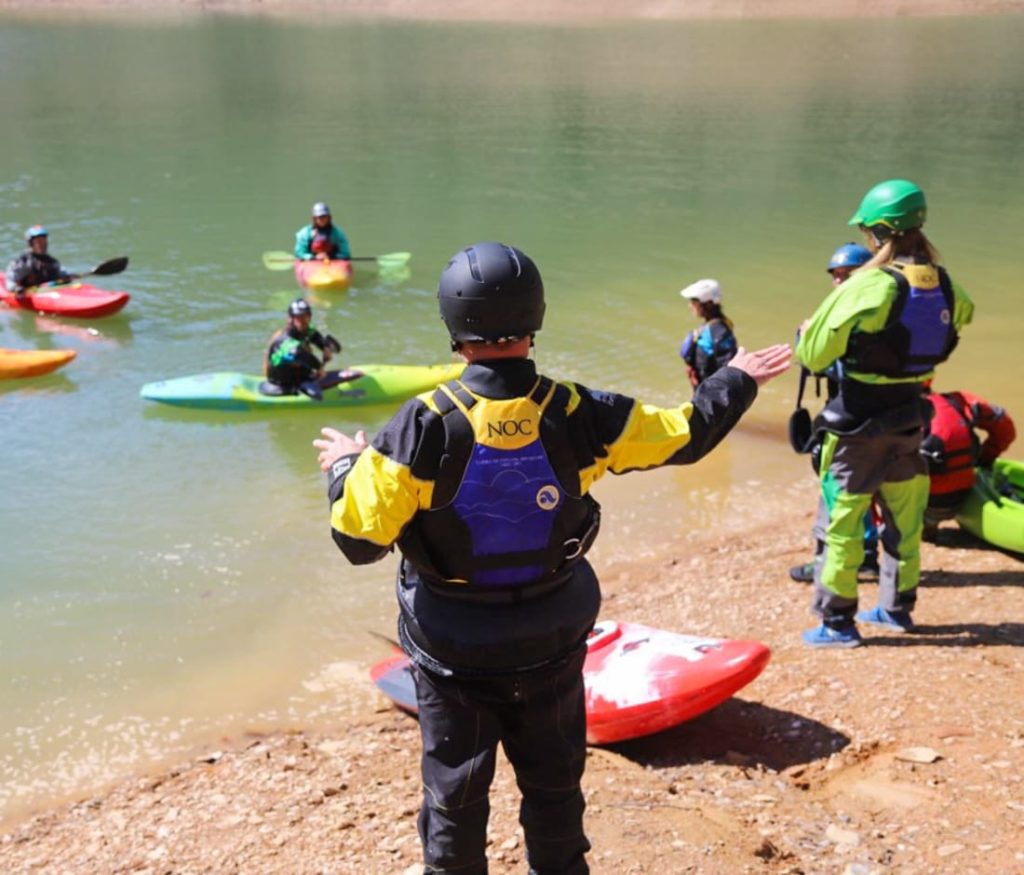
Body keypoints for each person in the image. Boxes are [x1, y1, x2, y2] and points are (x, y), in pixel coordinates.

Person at [314, 241, 791, 875]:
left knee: (455, 803)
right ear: (535, 317)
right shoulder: (579, 412)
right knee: (555, 792)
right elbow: (687, 434)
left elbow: (358, 541)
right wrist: (737, 378)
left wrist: (347, 465)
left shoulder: (420, 425)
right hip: (553, 638)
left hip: (453, 651)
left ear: (453, 325)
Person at [796, 179, 973, 647]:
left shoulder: (869, 285)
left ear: (876, 232)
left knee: (844, 525)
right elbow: (962, 318)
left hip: (855, 428)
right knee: (905, 523)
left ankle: (837, 623)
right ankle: (896, 610)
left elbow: (812, 355)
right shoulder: (948, 283)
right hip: (911, 420)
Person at [789, 241, 879, 583]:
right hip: (881, 416)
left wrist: (807, 337)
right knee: (865, 490)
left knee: (836, 489)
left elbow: (823, 364)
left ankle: (835, 561)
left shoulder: (851, 316)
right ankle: (869, 558)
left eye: (847, 275)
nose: (840, 282)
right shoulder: (882, 311)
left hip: (850, 420)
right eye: (836, 276)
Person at [921, 386, 1015, 538]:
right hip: (964, 497)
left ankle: (925, 528)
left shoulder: (896, 410)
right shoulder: (961, 402)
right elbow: (1006, 429)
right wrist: (984, 459)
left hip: (924, 505)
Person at [262, 298, 343, 399]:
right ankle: (301, 387)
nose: (303, 320)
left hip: (298, 370)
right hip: (281, 381)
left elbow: (317, 338)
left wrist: (325, 349)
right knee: (301, 352)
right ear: (291, 318)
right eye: (299, 317)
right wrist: (319, 367)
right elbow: (298, 354)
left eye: (306, 316)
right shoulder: (284, 339)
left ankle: (307, 379)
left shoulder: (306, 329)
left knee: (305, 349)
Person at [678, 277, 738, 387]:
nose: (690, 306)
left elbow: (728, 365)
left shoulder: (718, 330)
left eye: (693, 302)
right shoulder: (710, 325)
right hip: (705, 391)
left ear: (708, 304)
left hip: (713, 395)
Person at [5, 225, 72, 295]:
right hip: (28, 294)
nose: (41, 245)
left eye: (43, 241)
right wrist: (15, 288)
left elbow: (62, 273)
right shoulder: (23, 262)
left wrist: (67, 277)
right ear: (31, 244)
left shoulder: (52, 262)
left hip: (50, 292)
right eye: (38, 242)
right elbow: (10, 279)